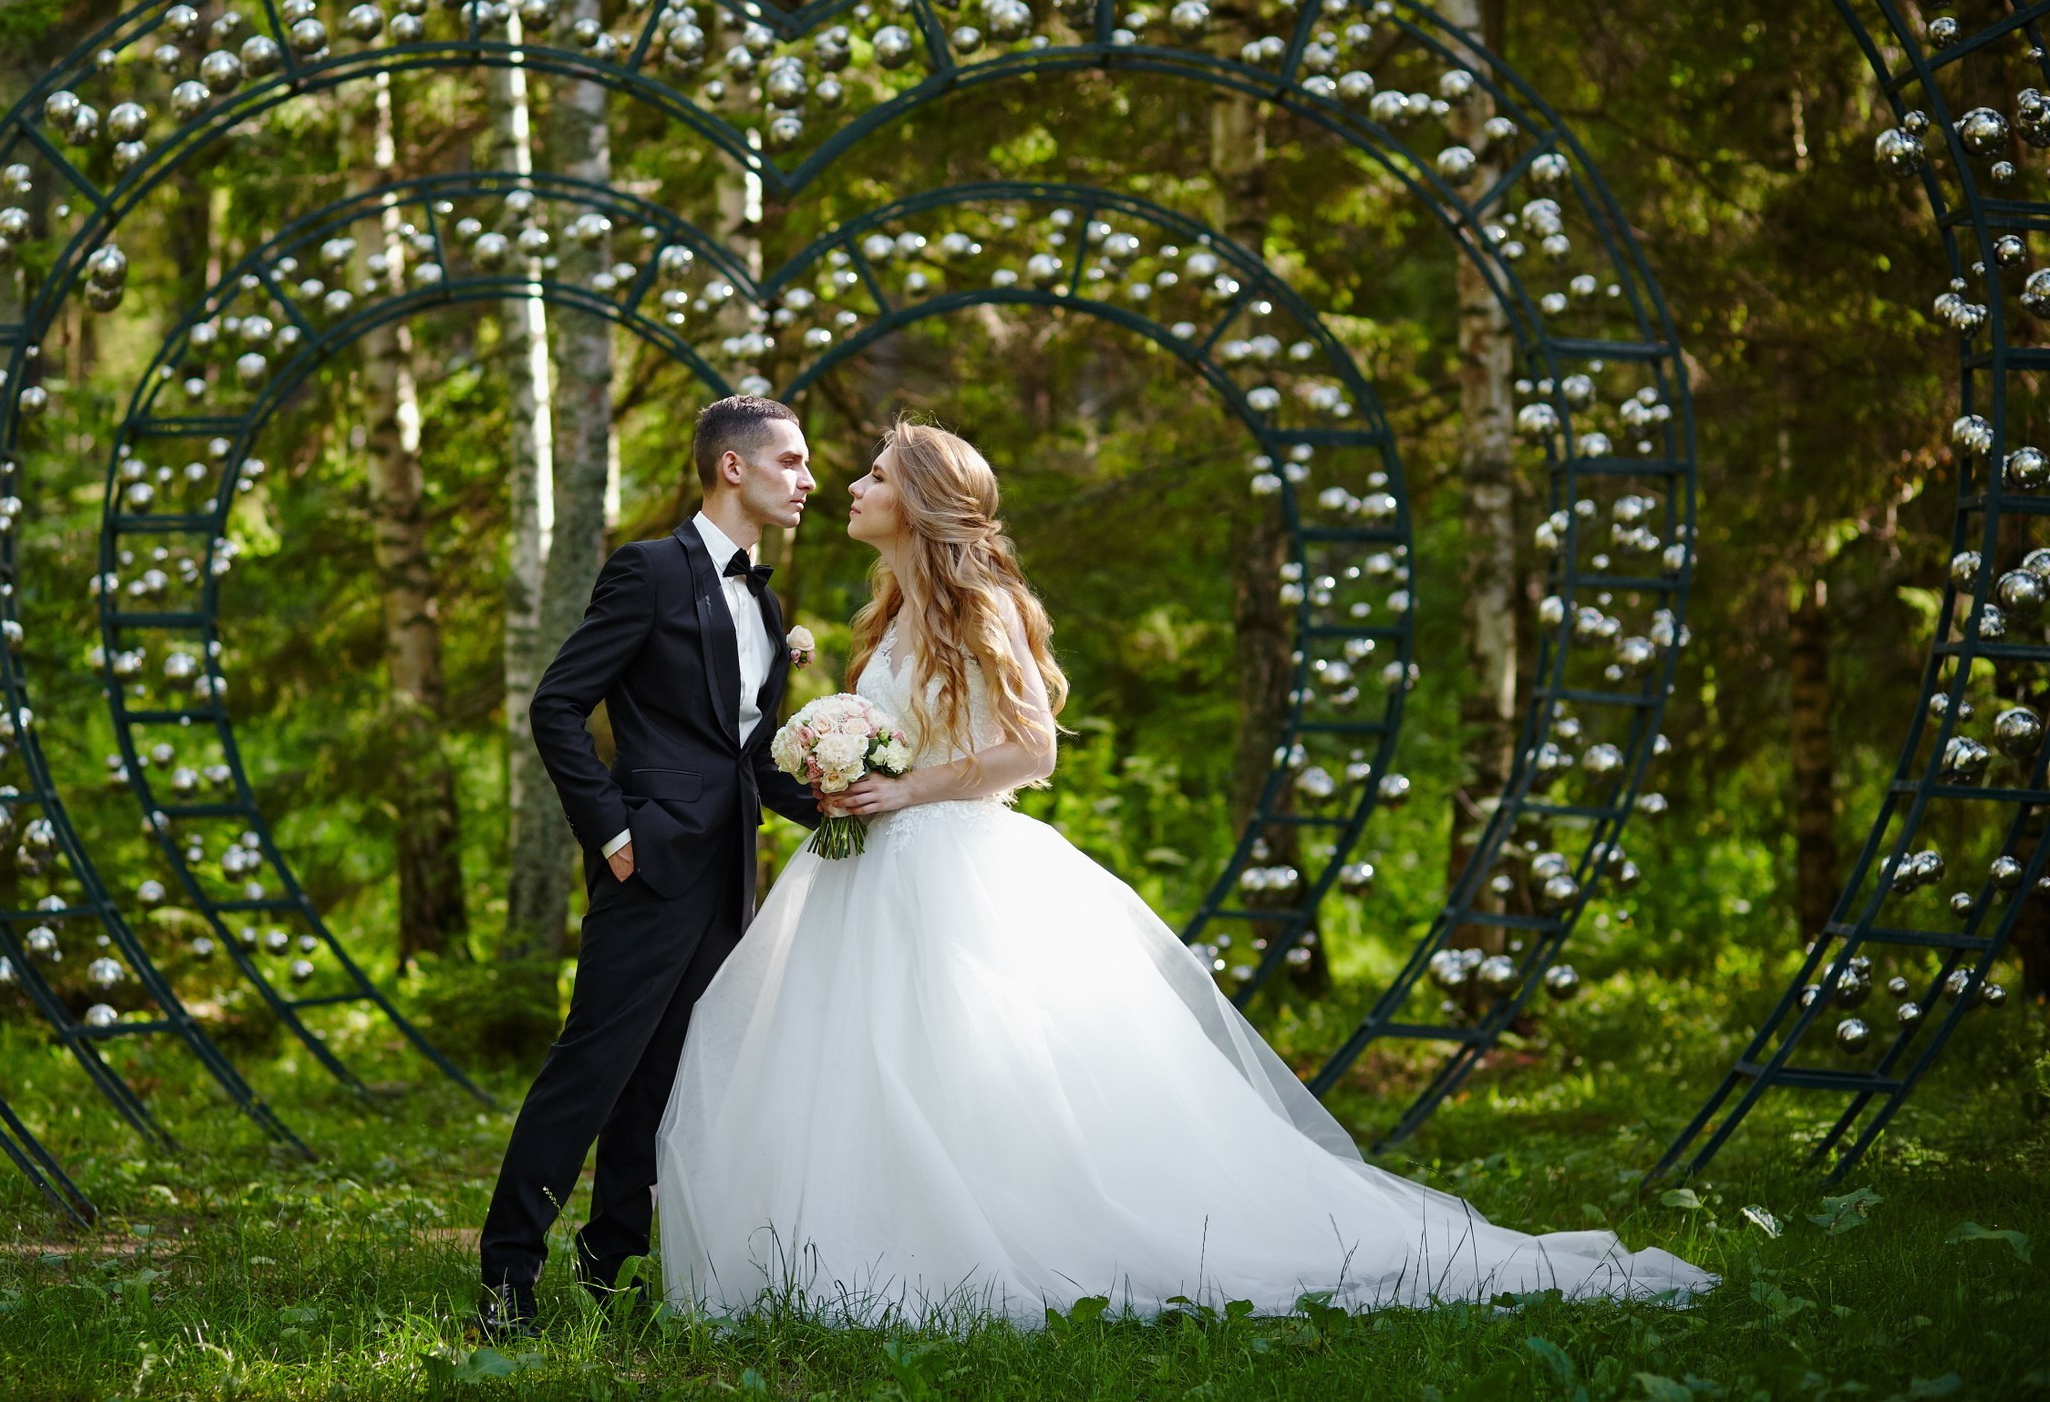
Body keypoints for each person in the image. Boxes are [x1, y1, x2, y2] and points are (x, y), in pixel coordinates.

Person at [654, 420, 1714, 1327]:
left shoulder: (987, 610)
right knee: (861, 1064)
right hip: (868, 867)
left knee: (975, 1065)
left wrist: (905, 790)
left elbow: (1033, 753)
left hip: (953, 863)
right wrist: (847, 773)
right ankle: (861, 1242)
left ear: (922, 500)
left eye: (876, 475)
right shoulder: (884, 613)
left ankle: (1007, 1234)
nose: (851, 485)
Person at [477, 395, 826, 1337]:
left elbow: (745, 756)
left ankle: (610, 1270)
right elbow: (556, 706)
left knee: (667, 1078)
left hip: (727, 878)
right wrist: (612, 833)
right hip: (648, 865)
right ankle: (506, 1275)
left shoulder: (767, 598)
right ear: (732, 469)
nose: (808, 480)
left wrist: (835, 802)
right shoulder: (648, 572)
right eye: (791, 462)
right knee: (591, 1069)